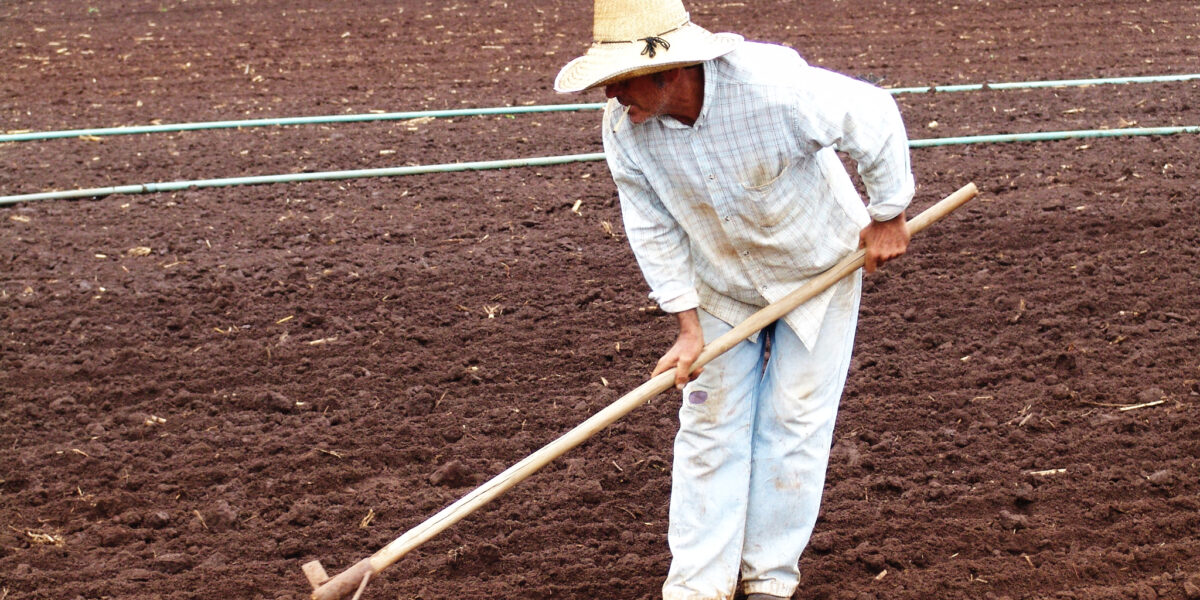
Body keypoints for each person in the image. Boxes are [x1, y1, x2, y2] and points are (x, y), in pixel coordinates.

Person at [555, 0, 915, 599]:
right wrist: (687, 326)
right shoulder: (626, 129)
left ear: (668, 70)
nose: (613, 96)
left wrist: (888, 214)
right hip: (720, 283)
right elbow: (650, 224)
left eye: (620, 81)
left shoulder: (773, 87)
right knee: (708, 423)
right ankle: (697, 588)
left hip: (818, 269)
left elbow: (871, 112)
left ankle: (768, 580)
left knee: (794, 421)